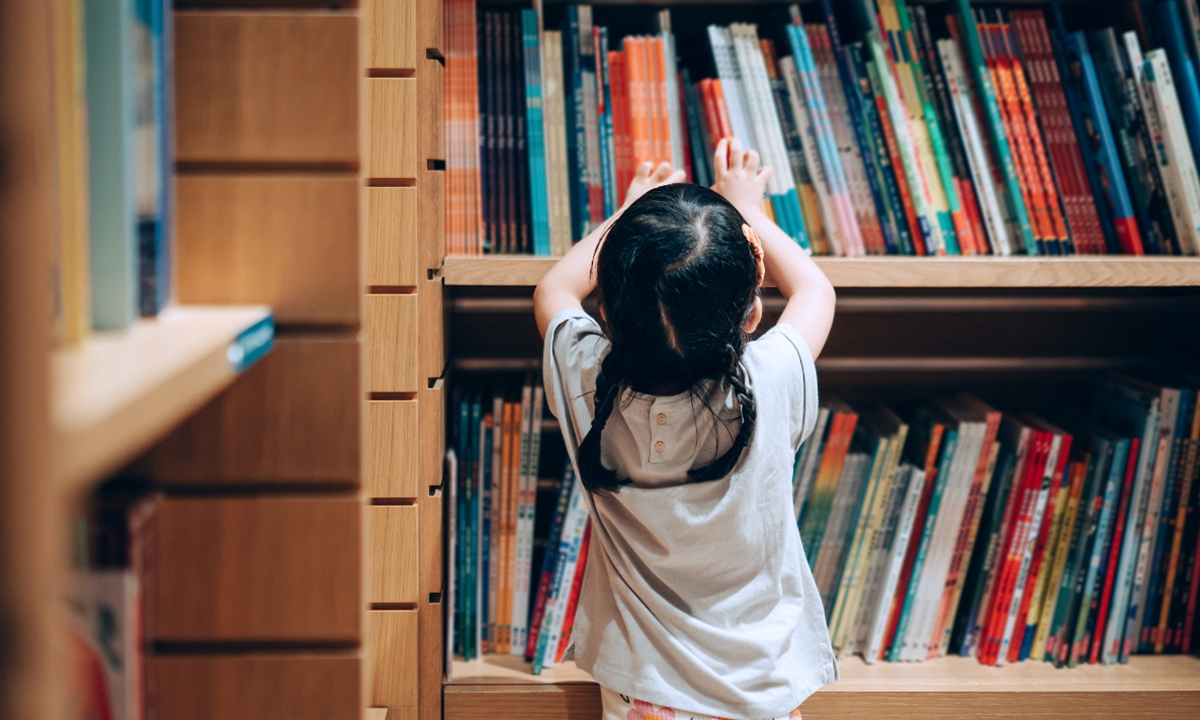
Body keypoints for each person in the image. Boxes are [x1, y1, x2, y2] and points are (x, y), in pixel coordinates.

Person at [534, 138, 838, 720]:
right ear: (751, 312)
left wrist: (632, 214)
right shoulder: (772, 380)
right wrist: (745, 206)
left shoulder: (585, 382)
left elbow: (554, 290)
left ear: (607, 316)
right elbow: (814, 290)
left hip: (642, 693)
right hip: (760, 691)